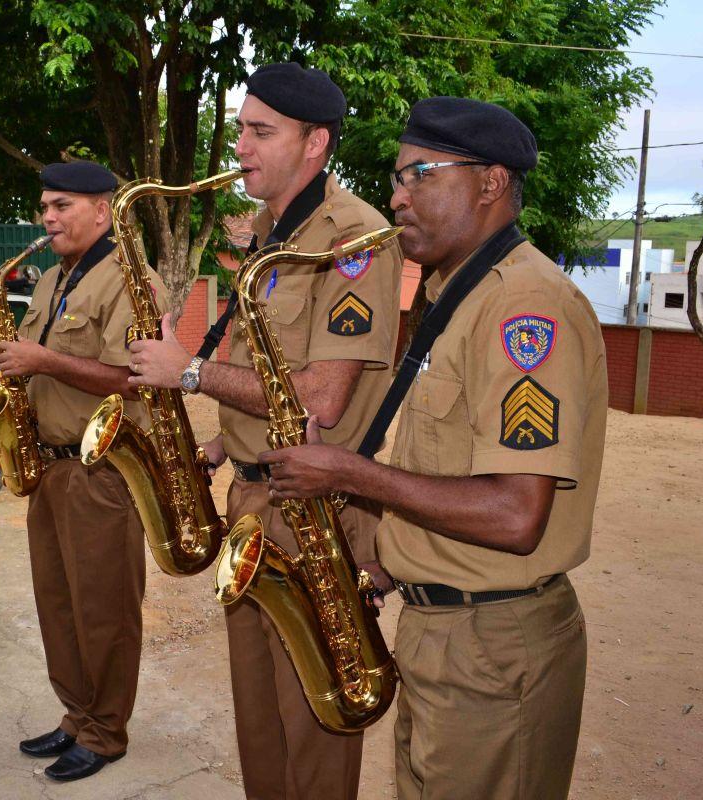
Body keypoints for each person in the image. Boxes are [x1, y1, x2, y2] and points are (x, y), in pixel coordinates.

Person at [260, 96, 608, 800]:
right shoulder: (459, 296)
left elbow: (516, 515)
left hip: (491, 650)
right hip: (447, 634)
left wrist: (351, 473)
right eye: (397, 177)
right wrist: (391, 564)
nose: (396, 195)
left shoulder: (524, 308)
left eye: (420, 175)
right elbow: (451, 473)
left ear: (490, 183)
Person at [127, 62, 403, 800]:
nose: (240, 146)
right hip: (256, 503)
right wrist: (220, 446)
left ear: (314, 143)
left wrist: (188, 373)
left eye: (260, 132)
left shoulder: (354, 237)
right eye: (241, 128)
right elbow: (267, 372)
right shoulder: (274, 233)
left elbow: (321, 401)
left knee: (310, 719)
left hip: (310, 509)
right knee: (259, 718)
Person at [0, 161, 168, 783]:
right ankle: (76, 715)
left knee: (105, 609)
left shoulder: (133, 279)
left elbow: (134, 379)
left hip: (102, 469)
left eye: (61, 205)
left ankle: (106, 730)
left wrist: (43, 358)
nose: (47, 217)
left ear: (102, 211)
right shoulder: (50, 279)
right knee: (59, 604)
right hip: (49, 466)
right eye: (44, 205)